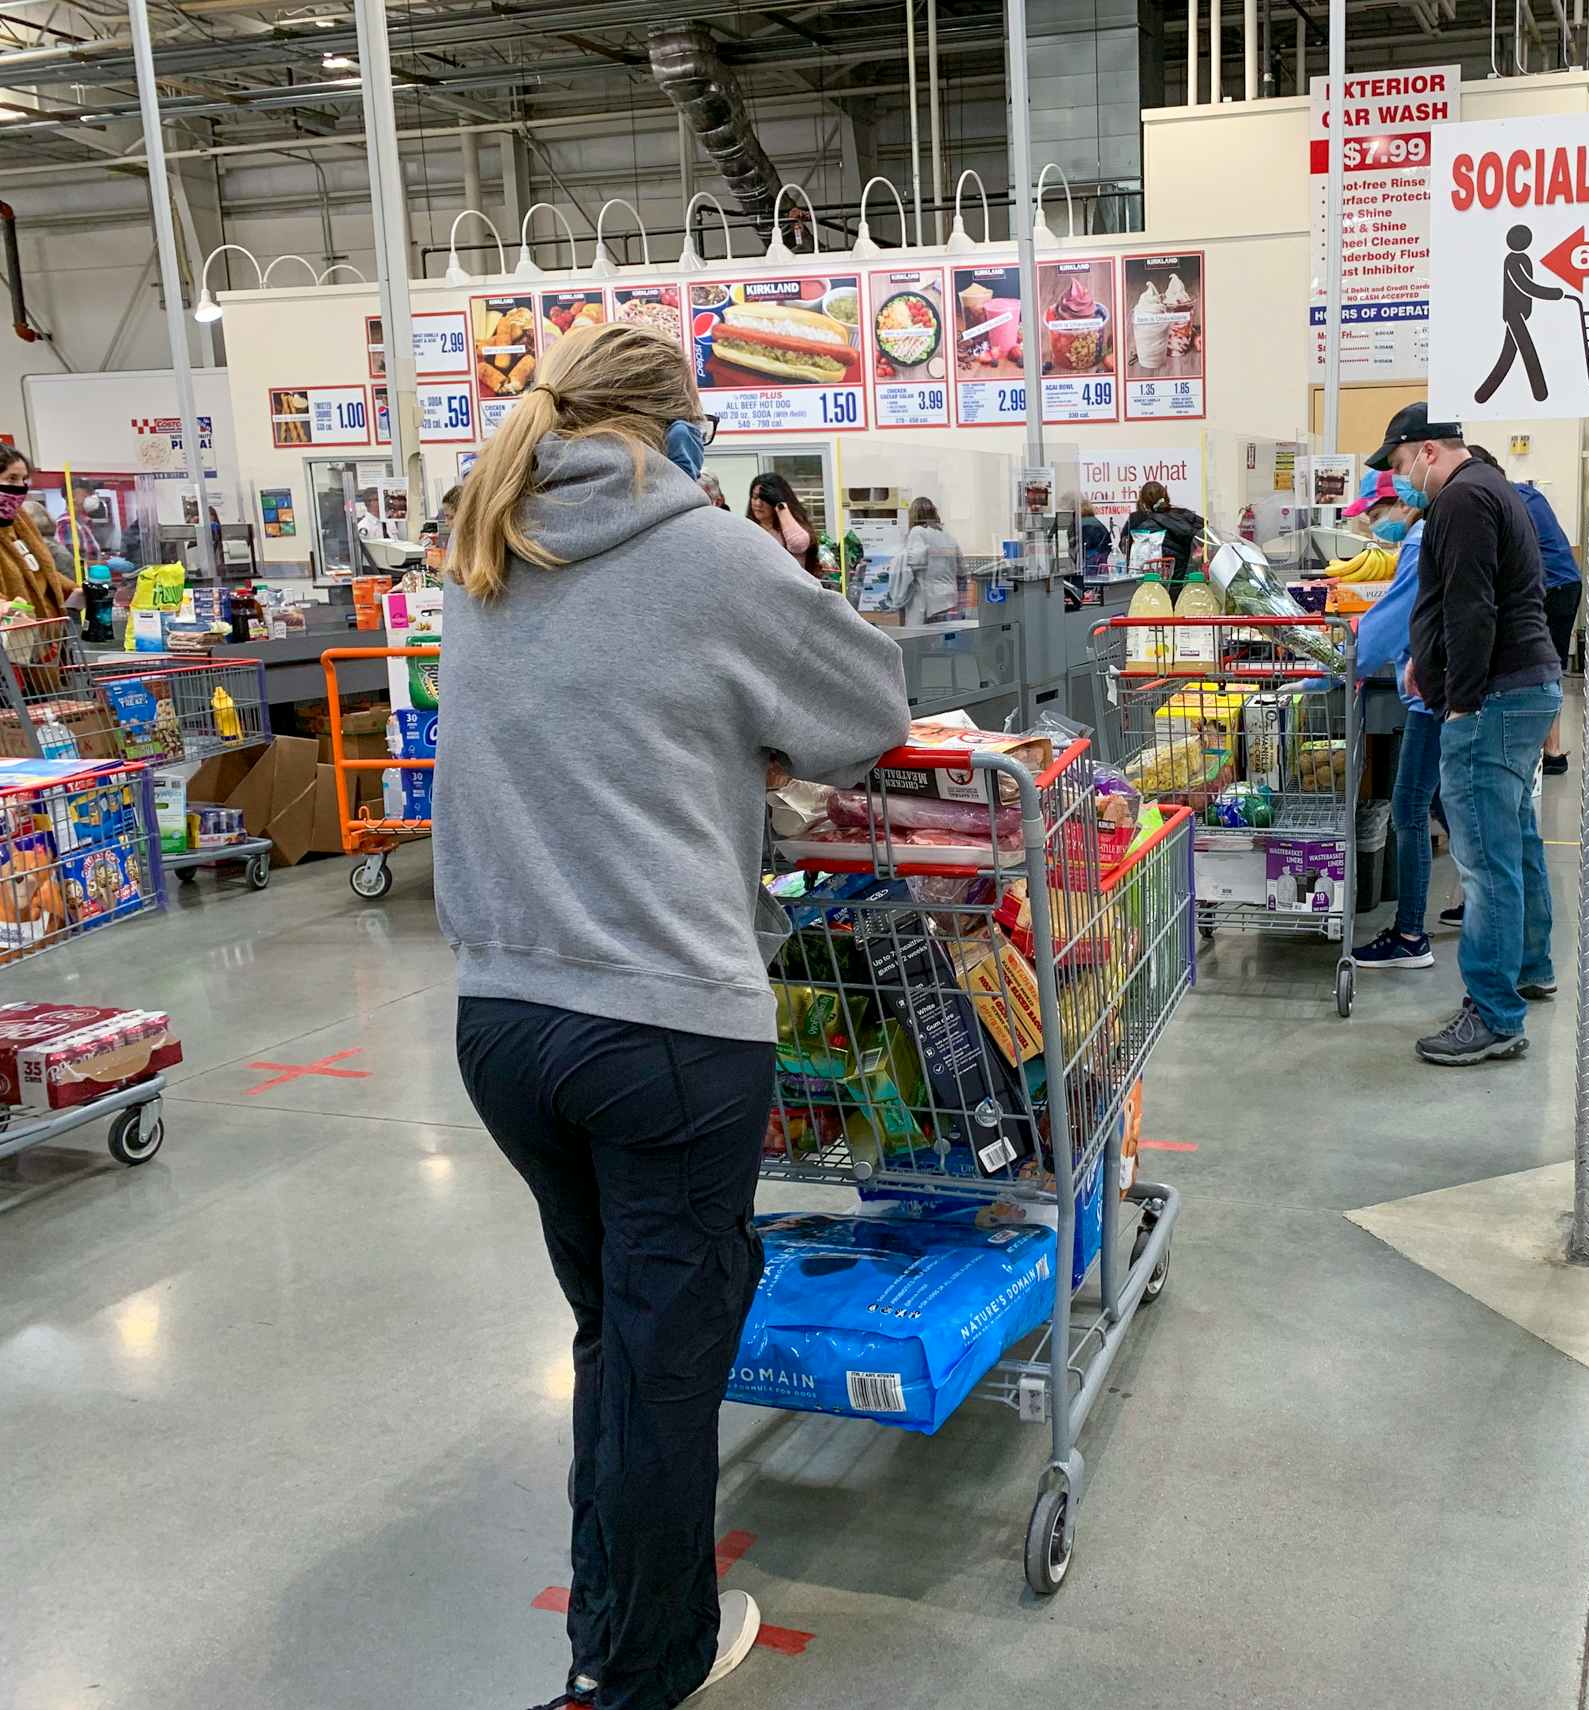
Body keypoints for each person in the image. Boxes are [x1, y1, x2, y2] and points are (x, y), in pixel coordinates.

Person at [436, 320, 912, 1710]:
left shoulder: (483, 544)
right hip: (662, 1027)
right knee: (661, 1364)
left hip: (504, 1023)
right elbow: (868, 705)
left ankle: (609, 1634)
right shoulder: (711, 551)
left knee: (617, 1338)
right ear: (671, 428)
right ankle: (642, 1672)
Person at [1367, 403, 1561, 1067]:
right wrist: (1428, 656)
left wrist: (1461, 702)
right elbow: (1470, 598)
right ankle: (1530, 965)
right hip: (1523, 687)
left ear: (1425, 450)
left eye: (1398, 465)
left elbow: (1472, 609)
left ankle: (1494, 1014)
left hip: (1493, 699)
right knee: (1515, 840)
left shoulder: (1461, 501)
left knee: (1483, 863)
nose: (1399, 482)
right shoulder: (1492, 488)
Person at [1346, 471, 1436, 969]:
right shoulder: (1424, 540)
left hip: (1433, 702)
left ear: (1404, 505)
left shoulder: (1420, 546)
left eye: (1378, 516)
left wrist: (1328, 673)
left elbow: (1384, 629)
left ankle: (1409, 934)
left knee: (1408, 810)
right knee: (1446, 811)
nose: (1375, 527)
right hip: (1440, 693)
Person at [1469, 445, 1581, 777]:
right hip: (1565, 583)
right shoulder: (1525, 494)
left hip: (1552, 588)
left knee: (1540, 671)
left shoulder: (1504, 501)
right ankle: (1549, 751)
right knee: (1549, 668)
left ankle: (1547, 752)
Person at [1475, 224, 1563, 406]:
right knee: (1527, 351)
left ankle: (1483, 395)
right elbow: (1525, 285)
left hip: (1520, 313)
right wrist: (1554, 293)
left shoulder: (1522, 259)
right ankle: (1540, 392)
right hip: (1514, 313)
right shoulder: (1513, 261)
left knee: (1508, 356)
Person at [0, 448, 78, 620]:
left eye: (24, 479)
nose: (21, 486)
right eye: (12, 478)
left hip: (45, 635)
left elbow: (41, 571)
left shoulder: (20, 520)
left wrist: (74, 591)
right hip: (11, 641)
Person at [747, 472, 826, 582]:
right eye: (754, 497)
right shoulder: (749, 528)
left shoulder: (789, 526)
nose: (758, 504)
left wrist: (780, 506)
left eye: (765, 499)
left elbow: (798, 544)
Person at [1117, 479, 1205, 575]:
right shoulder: (1185, 516)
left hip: (1155, 582)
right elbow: (1206, 532)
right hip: (1187, 580)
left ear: (1143, 501)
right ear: (1166, 496)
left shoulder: (1137, 521)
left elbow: (1125, 550)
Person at [901, 495, 964, 622]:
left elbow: (915, 563)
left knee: (919, 639)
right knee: (941, 639)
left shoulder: (917, 532)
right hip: (948, 599)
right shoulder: (947, 536)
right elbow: (961, 570)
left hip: (927, 601)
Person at [1079, 499, 1112, 573]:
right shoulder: (1096, 522)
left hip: (1087, 562)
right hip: (1101, 561)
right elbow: (1108, 542)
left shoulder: (1079, 523)